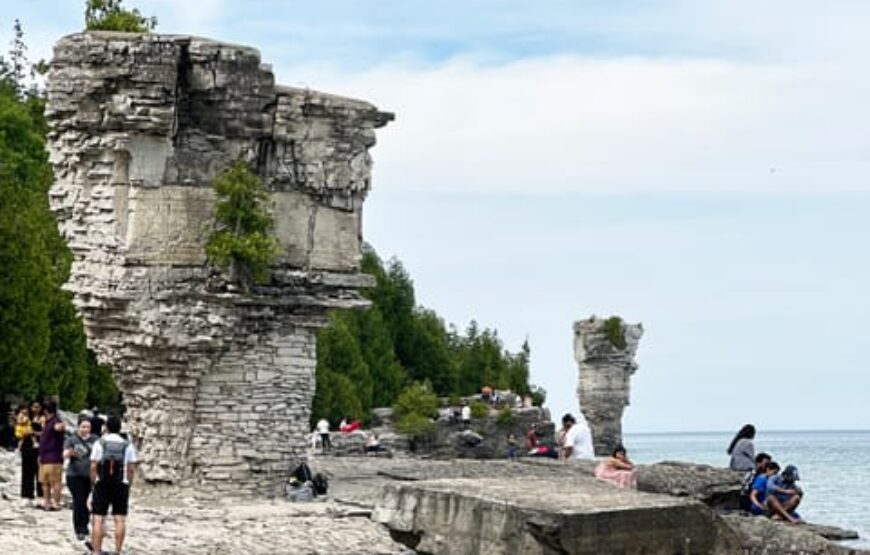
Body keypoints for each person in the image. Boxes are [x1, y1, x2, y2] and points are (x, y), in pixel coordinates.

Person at [89, 415, 138, 555]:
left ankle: (96, 551)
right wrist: (128, 483)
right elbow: (131, 468)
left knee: (98, 518)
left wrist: (93, 483)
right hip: (120, 484)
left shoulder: (100, 443)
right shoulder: (127, 444)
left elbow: (93, 466)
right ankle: (118, 551)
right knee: (120, 519)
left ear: (106, 427)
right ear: (120, 428)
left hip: (102, 483)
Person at [64, 417, 96, 540]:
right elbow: (64, 454)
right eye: (83, 427)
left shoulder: (95, 439)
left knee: (86, 501)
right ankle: (79, 528)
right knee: (79, 500)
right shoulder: (72, 439)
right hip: (74, 475)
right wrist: (69, 453)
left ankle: (85, 524)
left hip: (89, 476)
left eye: (88, 427)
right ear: (78, 427)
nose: (85, 429)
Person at [38, 401, 65, 511]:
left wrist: (60, 427)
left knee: (55, 482)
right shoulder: (48, 423)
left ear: (45, 411)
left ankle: (55, 502)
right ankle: (47, 503)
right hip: (45, 457)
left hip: (54, 457)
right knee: (45, 482)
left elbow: (59, 427)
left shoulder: (55, 422)